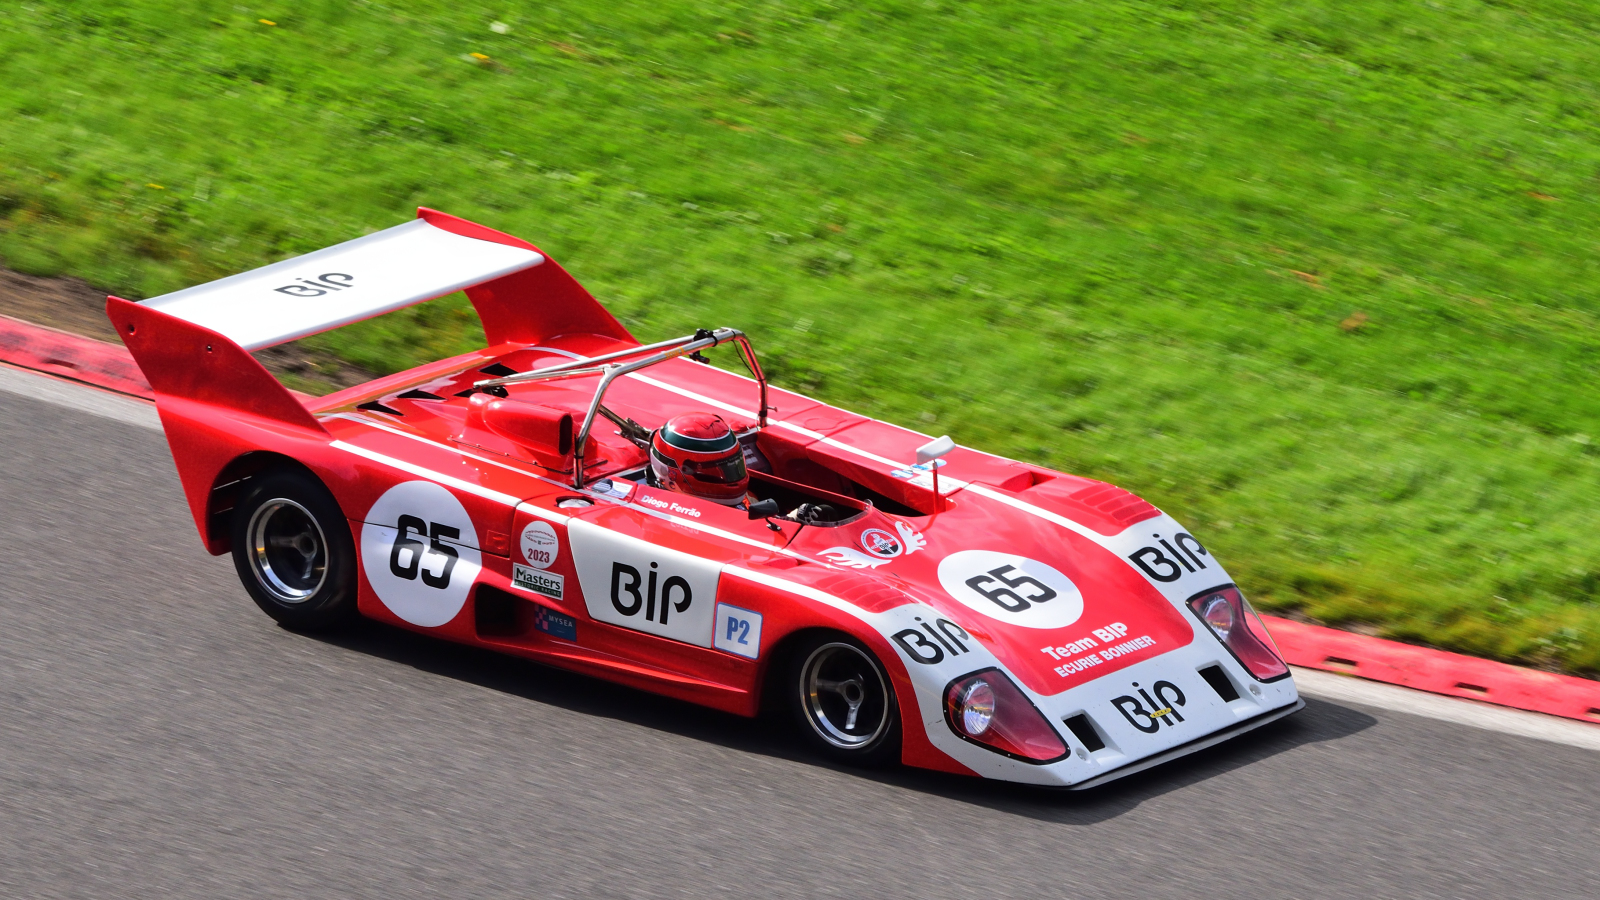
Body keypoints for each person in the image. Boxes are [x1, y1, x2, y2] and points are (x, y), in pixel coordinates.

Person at [649, 413, 752, 508]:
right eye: (712, 471)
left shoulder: (750, 498)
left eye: (734, 465)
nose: (735, 482)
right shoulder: (655, 513)